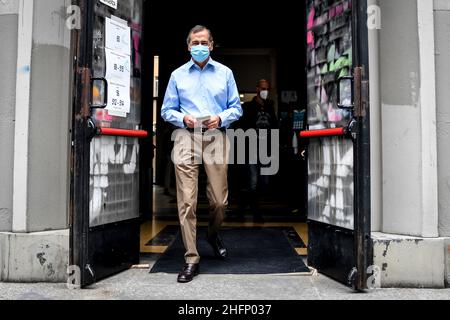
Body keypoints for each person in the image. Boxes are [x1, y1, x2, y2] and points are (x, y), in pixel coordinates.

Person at [161, 25, 243, 283]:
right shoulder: (177, 75)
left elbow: (237, 108)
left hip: (216, 136)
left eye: (203, 41)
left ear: (211, 45)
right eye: (194, 41)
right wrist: (181, 117)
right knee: (187, 201)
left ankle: (211, 234)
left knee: (219, 201)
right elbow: (166, 110)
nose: (199, 45)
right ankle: (191, 257)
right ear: (188, 46)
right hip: (186, 136)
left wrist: (221, 117)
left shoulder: (225, 73)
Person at [236, 79, 278, 222]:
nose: (265, 91)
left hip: (266, 149)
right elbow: (240, 127)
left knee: (264, 182)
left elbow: (274, 125)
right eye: (263, 88)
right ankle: (255, 211)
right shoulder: (248, 107)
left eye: (267, 88)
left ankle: (241, 206)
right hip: (251, 148)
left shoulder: (270, 107)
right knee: (253, 182)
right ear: (257, 89)